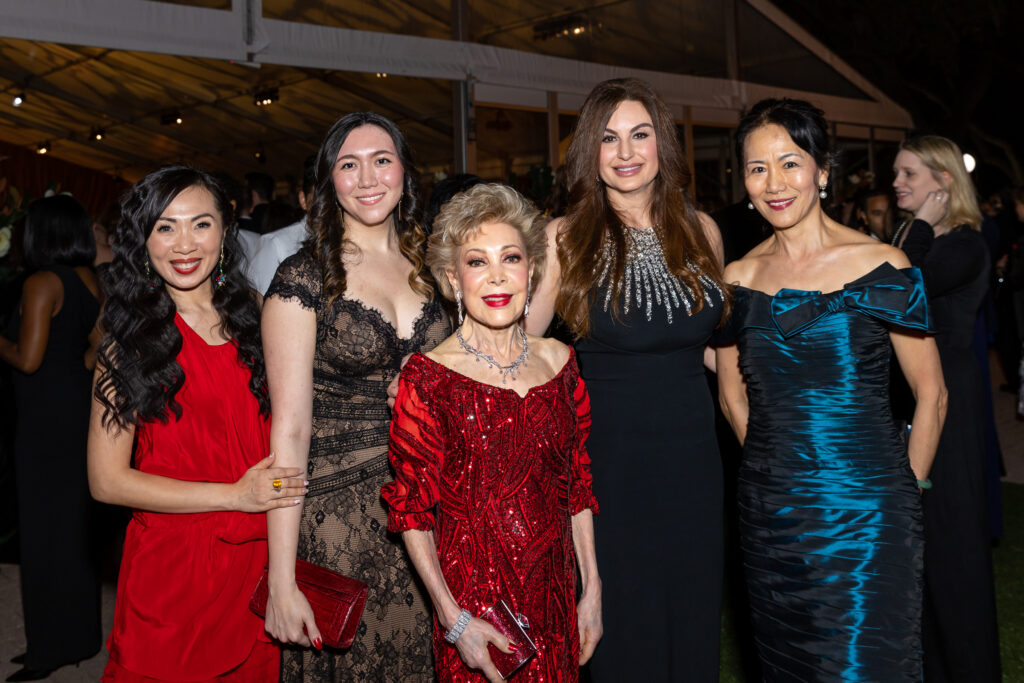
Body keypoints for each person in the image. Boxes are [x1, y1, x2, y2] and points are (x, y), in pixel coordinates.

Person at [716, 98, 947, 681]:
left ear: (822, 169)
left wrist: (907, 491)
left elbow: (932, 394)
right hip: (773, 517)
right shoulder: (736, 281)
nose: (774, 183)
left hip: (871, 512)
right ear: (743, 180)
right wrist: (778, 470)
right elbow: (731, 398)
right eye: (757, 167)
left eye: (790, 163)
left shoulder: (880, 264)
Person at [527, 77, 728, 681]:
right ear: (589, 152)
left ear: (661, 143)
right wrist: (438, 371)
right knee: (624, 633)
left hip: (697, 464)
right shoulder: (562, 238)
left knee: (692, 623)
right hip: (609, 469)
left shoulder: (703, 230)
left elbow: (721, 354)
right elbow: (518, 345)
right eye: (608, 138)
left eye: (640, 134)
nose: (626, 152)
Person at [87, 166, 305, 682]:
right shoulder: (128, 342)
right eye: (165, 227)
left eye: (200, 224)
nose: (184, 244)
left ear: (225, 232)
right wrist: (233, 495)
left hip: (258, 566)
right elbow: (106, 481)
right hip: (173, 570)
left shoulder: (256, 314)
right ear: (144, 239)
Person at [382, 183, 602, 683]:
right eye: (477, 262)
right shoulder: (428, 377)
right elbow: (412, 511)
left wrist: (591, 592)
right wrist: (452, 618)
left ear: (531, 270)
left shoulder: (562, 362)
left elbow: (578, 487)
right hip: (476, 608)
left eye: (511, 258)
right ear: (453, 279)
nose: (497, 276)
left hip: (556, 597)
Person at [262, 112, 449, 681]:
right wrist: (281, 576)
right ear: (329, 182)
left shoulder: (436, 270)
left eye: (381, 160)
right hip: (335, 520)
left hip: (429, 507)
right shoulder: (304, 278)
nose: (368, 178)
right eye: (349, 164)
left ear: (404, 174)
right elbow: (287, 434)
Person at [891, 135, 1001, 681]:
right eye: (897, 173)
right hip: (919, 396)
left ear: (944, 181)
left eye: (910, 173)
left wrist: (920, 230)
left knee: (953, 541)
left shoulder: (961, 243)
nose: (897, 183)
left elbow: (902, 291)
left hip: (948, 405)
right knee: (924, 544)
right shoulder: (925, 236)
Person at [0, 195, 102, 682]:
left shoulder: (42, 282)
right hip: (75, 413)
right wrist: (74, 373)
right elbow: (99, 346)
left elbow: (27, 359)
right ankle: (77, 638)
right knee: (72, 532)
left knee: (42, 535)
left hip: (43, 421)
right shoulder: (87, 278)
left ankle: (48, 650)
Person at [246, 155, 316, 294]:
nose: (330, 205)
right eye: (321, 197)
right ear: (303, 199)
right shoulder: (277, 244)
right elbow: (260, 304)